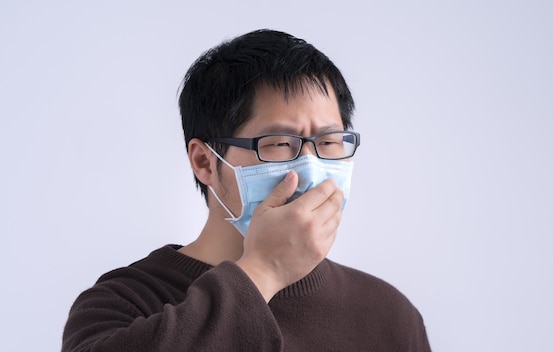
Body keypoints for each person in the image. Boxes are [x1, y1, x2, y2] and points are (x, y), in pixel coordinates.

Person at [62, 29, 431, 351]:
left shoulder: (388, 315)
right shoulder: (123, 304)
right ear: (204, 161)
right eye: (279, 143)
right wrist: (264, 271)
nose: (310, 169)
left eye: (330, 141)